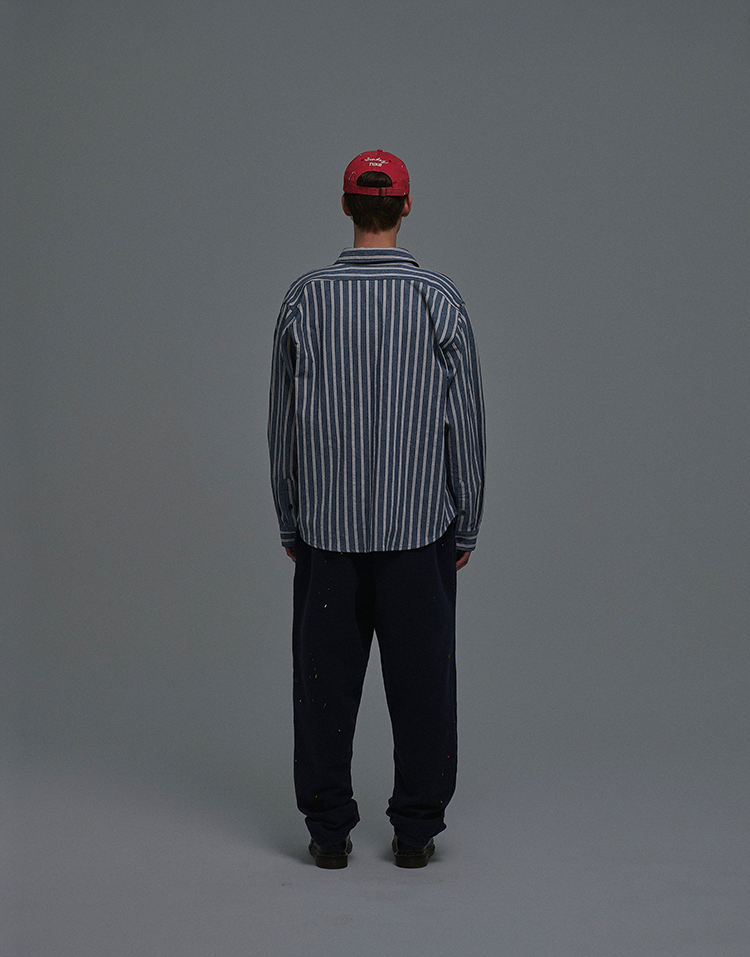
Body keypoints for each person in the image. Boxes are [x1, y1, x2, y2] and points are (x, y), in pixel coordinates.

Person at [268, 150, 485, 868]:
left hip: (326, 534)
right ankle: (416, 833)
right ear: (407, 205)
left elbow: (282, 424)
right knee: (423, 686)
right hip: (418, 532)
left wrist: (290, 517)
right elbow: (465, 423)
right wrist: (467, 518)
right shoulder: (439, 299)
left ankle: (328, 833)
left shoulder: (304, 299)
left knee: (321, 688)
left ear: (345, 206)